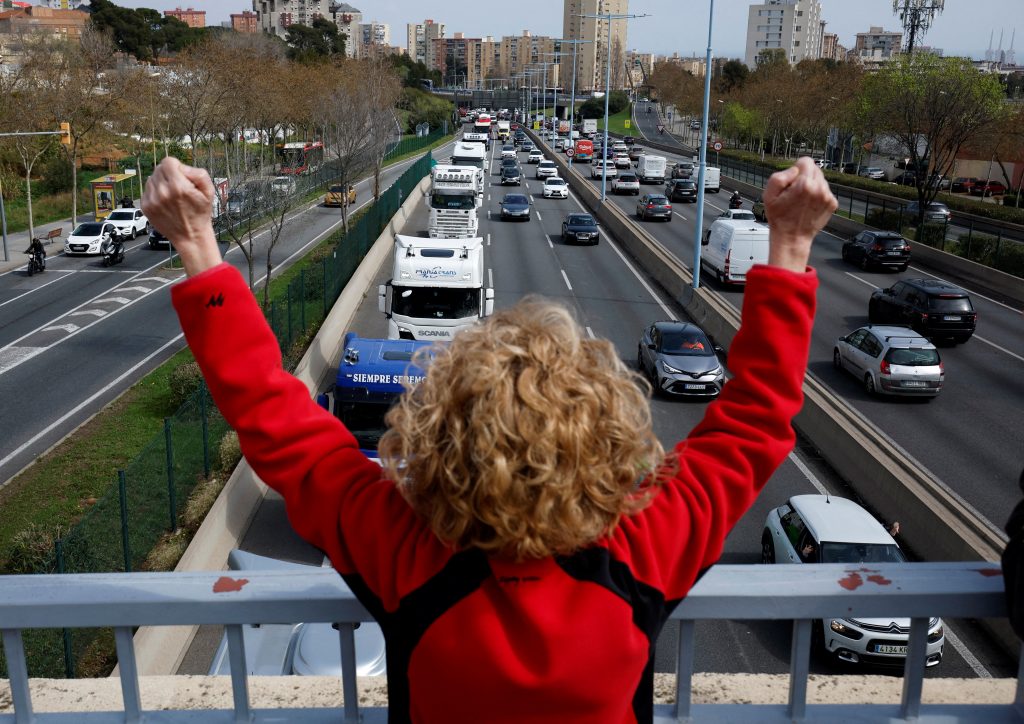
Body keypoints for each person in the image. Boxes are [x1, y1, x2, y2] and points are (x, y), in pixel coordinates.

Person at [143, 155, 836, 723]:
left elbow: (273, 417)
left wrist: (199, 245)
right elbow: (755, 418)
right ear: (605, 439)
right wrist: (790, 245)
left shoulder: (405, 552)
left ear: (441, 435)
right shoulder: (643, 547)